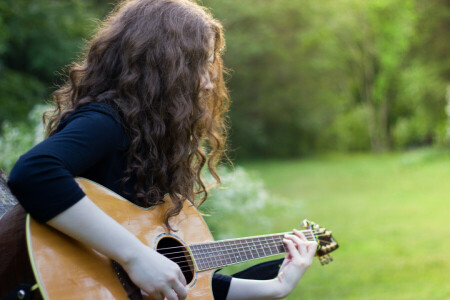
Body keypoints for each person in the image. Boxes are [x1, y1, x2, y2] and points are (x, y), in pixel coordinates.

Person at [6, 0, 317, 299]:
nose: (209, 83)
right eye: (200, 65)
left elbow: (183, 284)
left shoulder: (149, 144)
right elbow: (35, 171)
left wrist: (276, 287)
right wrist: (135, 256)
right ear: (167, 66)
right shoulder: (106, 121)